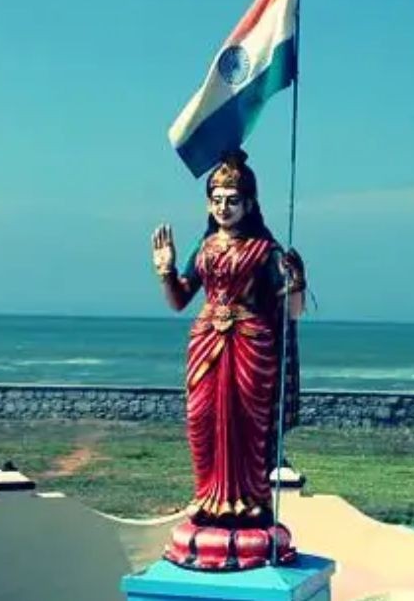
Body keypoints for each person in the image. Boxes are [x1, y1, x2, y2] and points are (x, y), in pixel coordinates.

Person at [151, 149, 305, 536]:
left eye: (232, 200)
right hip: (206, 340)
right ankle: (207, 496)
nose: (223, 207)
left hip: (251, 344)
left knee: (247, 424)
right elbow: (179, 300)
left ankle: (251, 500)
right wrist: (166, 271)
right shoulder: (204, 247)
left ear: (249, 203)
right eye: (217, 200)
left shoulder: (264, 250)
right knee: (202, 419)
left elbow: (292, 310)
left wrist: (297, 283)